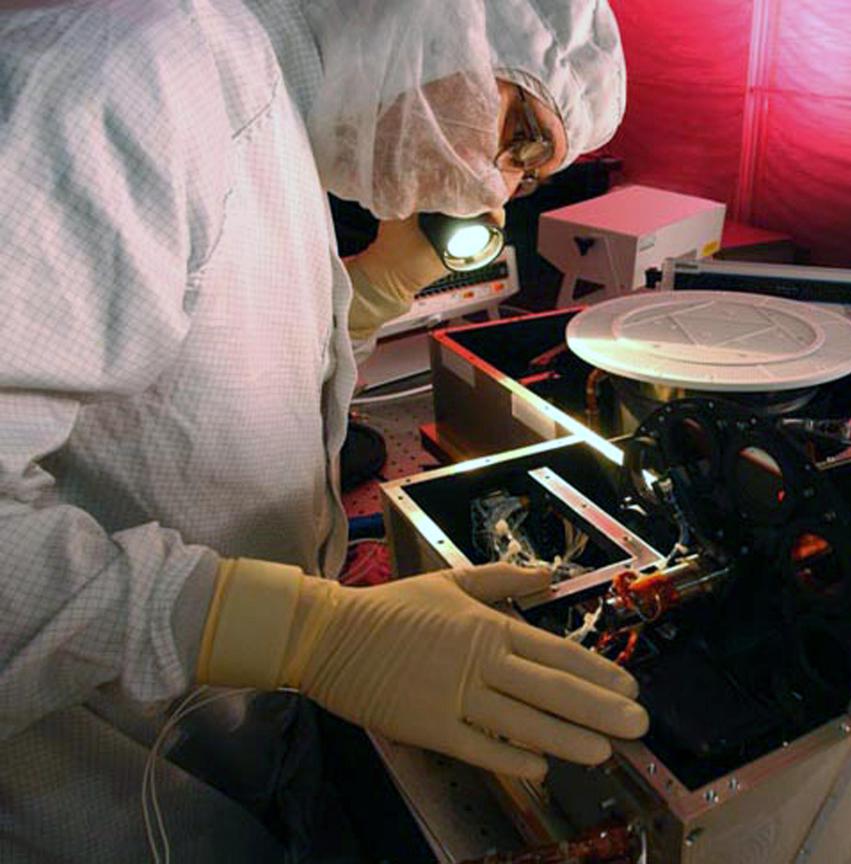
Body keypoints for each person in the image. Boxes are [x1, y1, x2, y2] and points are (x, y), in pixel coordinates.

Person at [0, 0, 637, 860]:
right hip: (81, 791)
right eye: (517, 139)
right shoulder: (131, 75)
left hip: (217, 742)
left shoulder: (270, 106)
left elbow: (198, 380)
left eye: (528, 179)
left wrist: (369, 296)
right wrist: (304, 633)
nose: (495, 190)